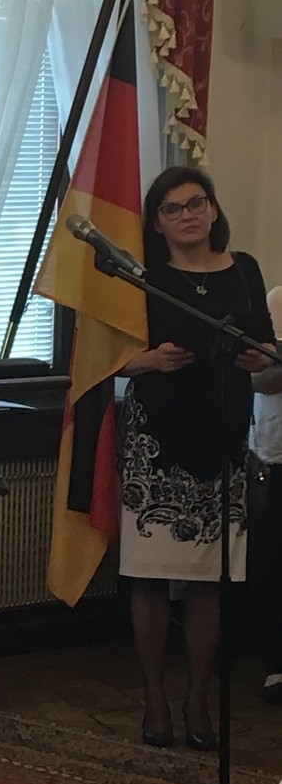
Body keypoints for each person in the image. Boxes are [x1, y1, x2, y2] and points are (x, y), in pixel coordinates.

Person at [117, 166, 274, 750]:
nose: (188, 215)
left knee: (210, 579)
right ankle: (156, 697)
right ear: (156, 222)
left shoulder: (245, 268)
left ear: (213, 209)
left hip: (223, 436)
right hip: (156, 442)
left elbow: (265, 342)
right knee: (152, 577)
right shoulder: (141, 276)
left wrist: (262, 358)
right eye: (173, 208)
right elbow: (104, 357)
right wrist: (146, 360)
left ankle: (198, 699)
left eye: (197, 203)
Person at [249, 286, 282, 702]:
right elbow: (258, 380)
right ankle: (277, 664)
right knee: (273, 565)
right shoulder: (276, 302)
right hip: (277, 456)